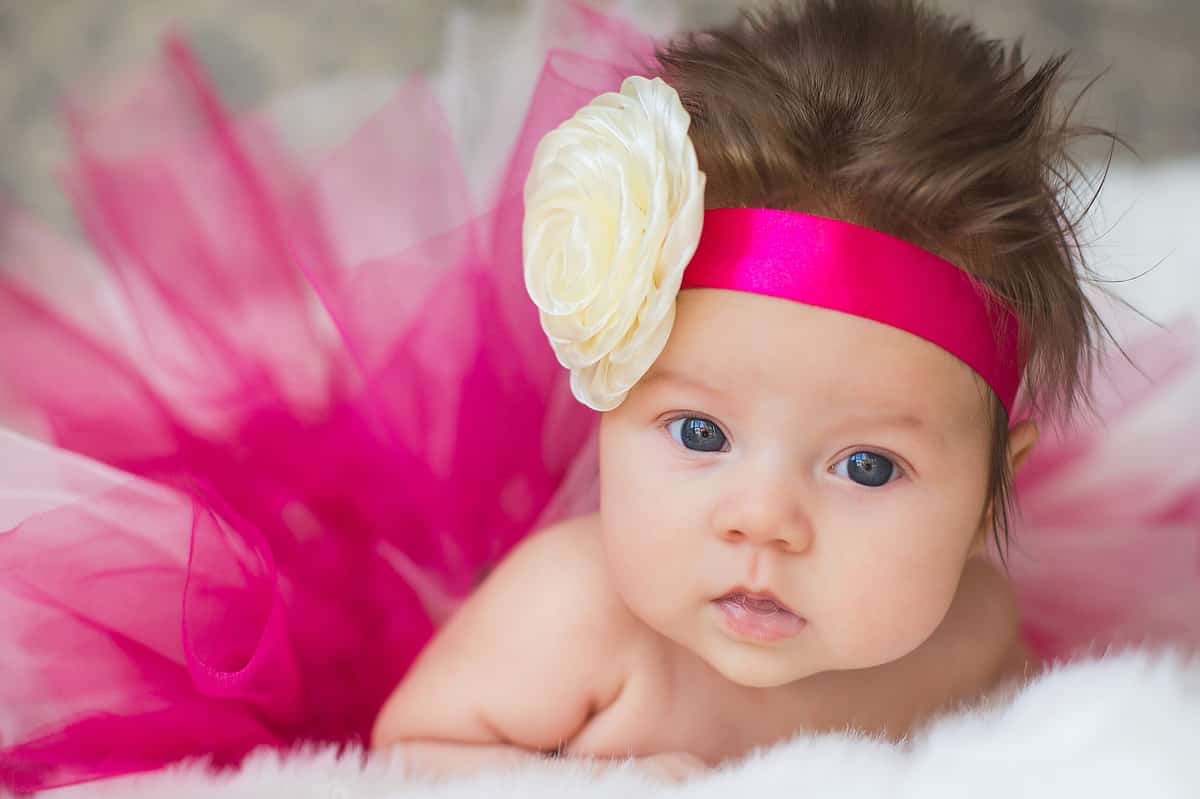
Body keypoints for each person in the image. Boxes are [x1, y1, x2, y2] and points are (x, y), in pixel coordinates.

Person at [1, 0, 1196, 792]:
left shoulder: (974, 627)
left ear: (1000, 477)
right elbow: (405, 756)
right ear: (609, 408)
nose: (763, 519)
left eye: (867, 466)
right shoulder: (573, 619)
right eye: (697, 432)